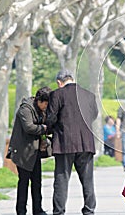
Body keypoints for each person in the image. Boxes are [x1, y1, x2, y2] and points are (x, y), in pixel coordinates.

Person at [46, 70, 98, 215]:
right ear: (72, 79)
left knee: (61, 180)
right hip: (86, 143)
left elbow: (51, 118)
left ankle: (59, 211)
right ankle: (89, 210)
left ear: (59, 82)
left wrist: (49, 130)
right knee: (87, 180)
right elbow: (93, 115)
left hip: (64, 143)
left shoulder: (57, 94)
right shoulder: (89, 95)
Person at [7, 86, 52, 215]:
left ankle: (37, 209)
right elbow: (29, 127)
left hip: (35, 151)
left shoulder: (40, 110)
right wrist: (44, 128)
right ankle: (21, 210)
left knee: (37, 182)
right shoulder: (25, 109)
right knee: (24, 182)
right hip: (22, 152)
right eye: (45, 104)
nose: (46, 107)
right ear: (39, 100)